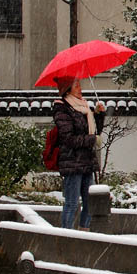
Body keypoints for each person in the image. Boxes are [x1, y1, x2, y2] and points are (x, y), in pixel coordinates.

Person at [53, 76, 105, 230]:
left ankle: (84, 232)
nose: (80, 88)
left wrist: (99, 115)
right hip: (72, 162)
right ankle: (66, 236)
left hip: (86, 162)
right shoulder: (63, 109)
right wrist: (91, 139)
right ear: (67, 89)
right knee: (72, 202)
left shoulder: (83, 108)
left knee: (90, 202)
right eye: (76, 85)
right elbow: (68, 139)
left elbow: (94, 132)